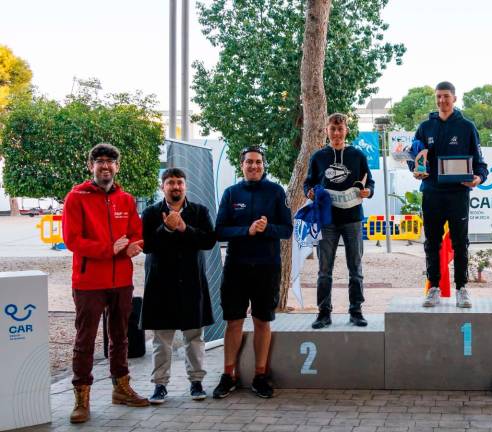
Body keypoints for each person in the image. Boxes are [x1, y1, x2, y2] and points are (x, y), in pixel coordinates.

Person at [62, 143, 148, 423]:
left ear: (117, 167)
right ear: (91, 167)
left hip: (121, 280)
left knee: (120, 337)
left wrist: (133, 247)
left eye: (110, 162)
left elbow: (136, 233)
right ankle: (81, 399)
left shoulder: (126, 199)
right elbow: (72, 240)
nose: (105, 166)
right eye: (99, 161)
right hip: (89, 282)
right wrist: (108, 249)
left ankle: (121, 389)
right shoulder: (76, 198)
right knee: (84, 340)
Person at [213, 147, 292, 399]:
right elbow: (220, 231)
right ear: (242, 165)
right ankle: (229, 375)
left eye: (258, 162)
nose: (254, 166)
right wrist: (245, 231)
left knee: (262, 321)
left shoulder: (276, 192)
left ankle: (260, 375)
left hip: (267, 267)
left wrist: (267, 228)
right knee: (233, 321)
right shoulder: (231, 193)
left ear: (264, 165)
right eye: (249, 162)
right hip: (236, 267)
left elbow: (287, 229)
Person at [140, 168, 217, 403]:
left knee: (194, 337)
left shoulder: (199, 211)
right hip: (161, 284)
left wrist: (184, 228)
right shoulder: (151, 213)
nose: (176, 187)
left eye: (180, 183)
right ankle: (159, 386)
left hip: (192, 283)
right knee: (161, 339)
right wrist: (166, 228)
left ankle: (196, 382)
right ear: (162, 186)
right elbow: (147, 245)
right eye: (171, 182)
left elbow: (208, 241)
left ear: (186, 186)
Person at [409, 81, 488, 308]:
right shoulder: (425, 127)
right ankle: (433, 287)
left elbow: (480, 163)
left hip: (458, 195)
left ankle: (462, 288)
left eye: (446, 96)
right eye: (438, 96)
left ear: (454, 98)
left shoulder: (467, 127)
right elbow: (414, 158)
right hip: (432, 193)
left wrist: (478, 178)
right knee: (431, 242)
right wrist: (415, 171)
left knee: (460, 242)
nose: (442, 100)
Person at [303, 113, 375, 328]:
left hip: (352, 218)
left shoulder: (357, 155)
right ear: (326, 130)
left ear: (346, 130)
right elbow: (308, 182)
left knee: (355, 266)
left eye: (340, 129)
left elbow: (369, 181)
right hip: (327, 219)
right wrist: (309, 192)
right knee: (324, 269)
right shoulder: (318, 157)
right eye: (332, 129)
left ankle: (356, 311)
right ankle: (323, 313)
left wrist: (368, 191)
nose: (336, 133)